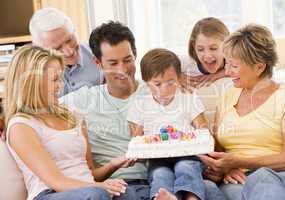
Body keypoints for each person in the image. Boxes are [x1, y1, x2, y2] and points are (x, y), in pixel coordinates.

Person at [4, 45, 128, 200]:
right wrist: (99, 187)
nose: (60, 85)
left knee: (127, 193)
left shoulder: (72, 116)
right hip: (50, 194)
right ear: (32, 82)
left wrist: (113, 165)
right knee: (97, 194)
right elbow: (56, 181)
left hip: (88, 190)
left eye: (60, 78)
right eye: (54, 79)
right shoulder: (21, 126)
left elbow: (90, 174)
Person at [198, 24, 285, 200]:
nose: (227, 72)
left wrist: (240, 162)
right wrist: (224, 168)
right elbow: (218, 149)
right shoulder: (226, 97)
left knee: (262, 178)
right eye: (226, 63)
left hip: (279, 175)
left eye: (234, 66)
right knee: (209, 189)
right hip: (237, 177)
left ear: (259, 67)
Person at [60, 21, 150, 200]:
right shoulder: (83, 99)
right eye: (113, 63)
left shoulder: (156, 93)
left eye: (127, 60)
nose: (122, 70)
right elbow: (36, 106)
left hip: (157, 179)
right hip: (115, 185)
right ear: (98, 63)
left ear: (136, 54)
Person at [127, 48, 211, 200]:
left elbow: (203, 131)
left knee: (185, 167)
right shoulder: (139, 105)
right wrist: (135, 154)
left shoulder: (188, 99)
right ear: (146, 83)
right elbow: (137, 140)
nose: (164, 90)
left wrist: (200, 143)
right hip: (157, 158)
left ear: (179, 78)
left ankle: (192, 198)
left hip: (188, 155)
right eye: (157, 84)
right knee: (160, 174)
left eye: (170, 82)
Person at [29, 7, 105, 96]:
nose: (69, 52)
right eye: (57, 48)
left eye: (69, 39)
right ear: (38, 49)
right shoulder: (31, 74)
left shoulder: (99, 53)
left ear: (75, 30)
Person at [179, 17, 229, 90]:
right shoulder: (188, 62)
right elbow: (157, 64)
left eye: (213, 48)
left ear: (226, 46)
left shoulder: (235, 61)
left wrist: (221, 74)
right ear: (194, 48)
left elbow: (250, 66)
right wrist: (176, 75)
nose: (207, 55)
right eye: (200, 49)